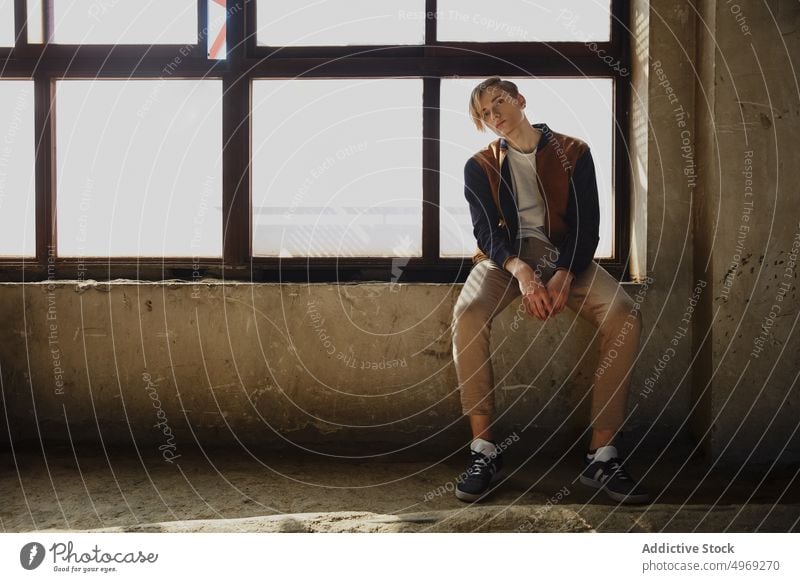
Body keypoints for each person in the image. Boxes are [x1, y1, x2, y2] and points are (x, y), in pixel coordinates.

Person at [451, 77, 650, 504]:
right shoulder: (479, 165)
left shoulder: (573, 152)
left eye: (498, 102)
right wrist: (521, 270)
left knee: (625, 314)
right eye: (484, 113)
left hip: (567, 256)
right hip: (506, 260)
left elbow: (588, 225)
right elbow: (486, 232)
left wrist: (563, 272)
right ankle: (484, 450)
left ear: (520, 100)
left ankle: (602, 454)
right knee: (467, 315)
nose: (493, 115)